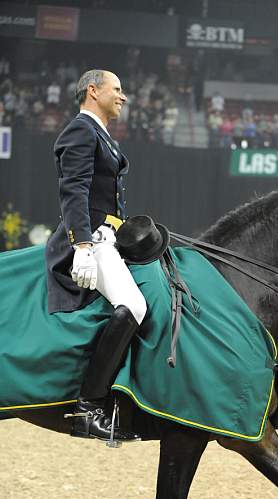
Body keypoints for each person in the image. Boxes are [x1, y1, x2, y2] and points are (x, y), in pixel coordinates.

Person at [45, 70, 166, 442]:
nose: (124, 96)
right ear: (93, 91)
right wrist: (81, 244)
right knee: (134, 305)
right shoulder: (82, 130)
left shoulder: (103, 136)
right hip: (88, 242)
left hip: (106, 238)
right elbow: (74, 192)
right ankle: (88, 406)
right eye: (118, 89)